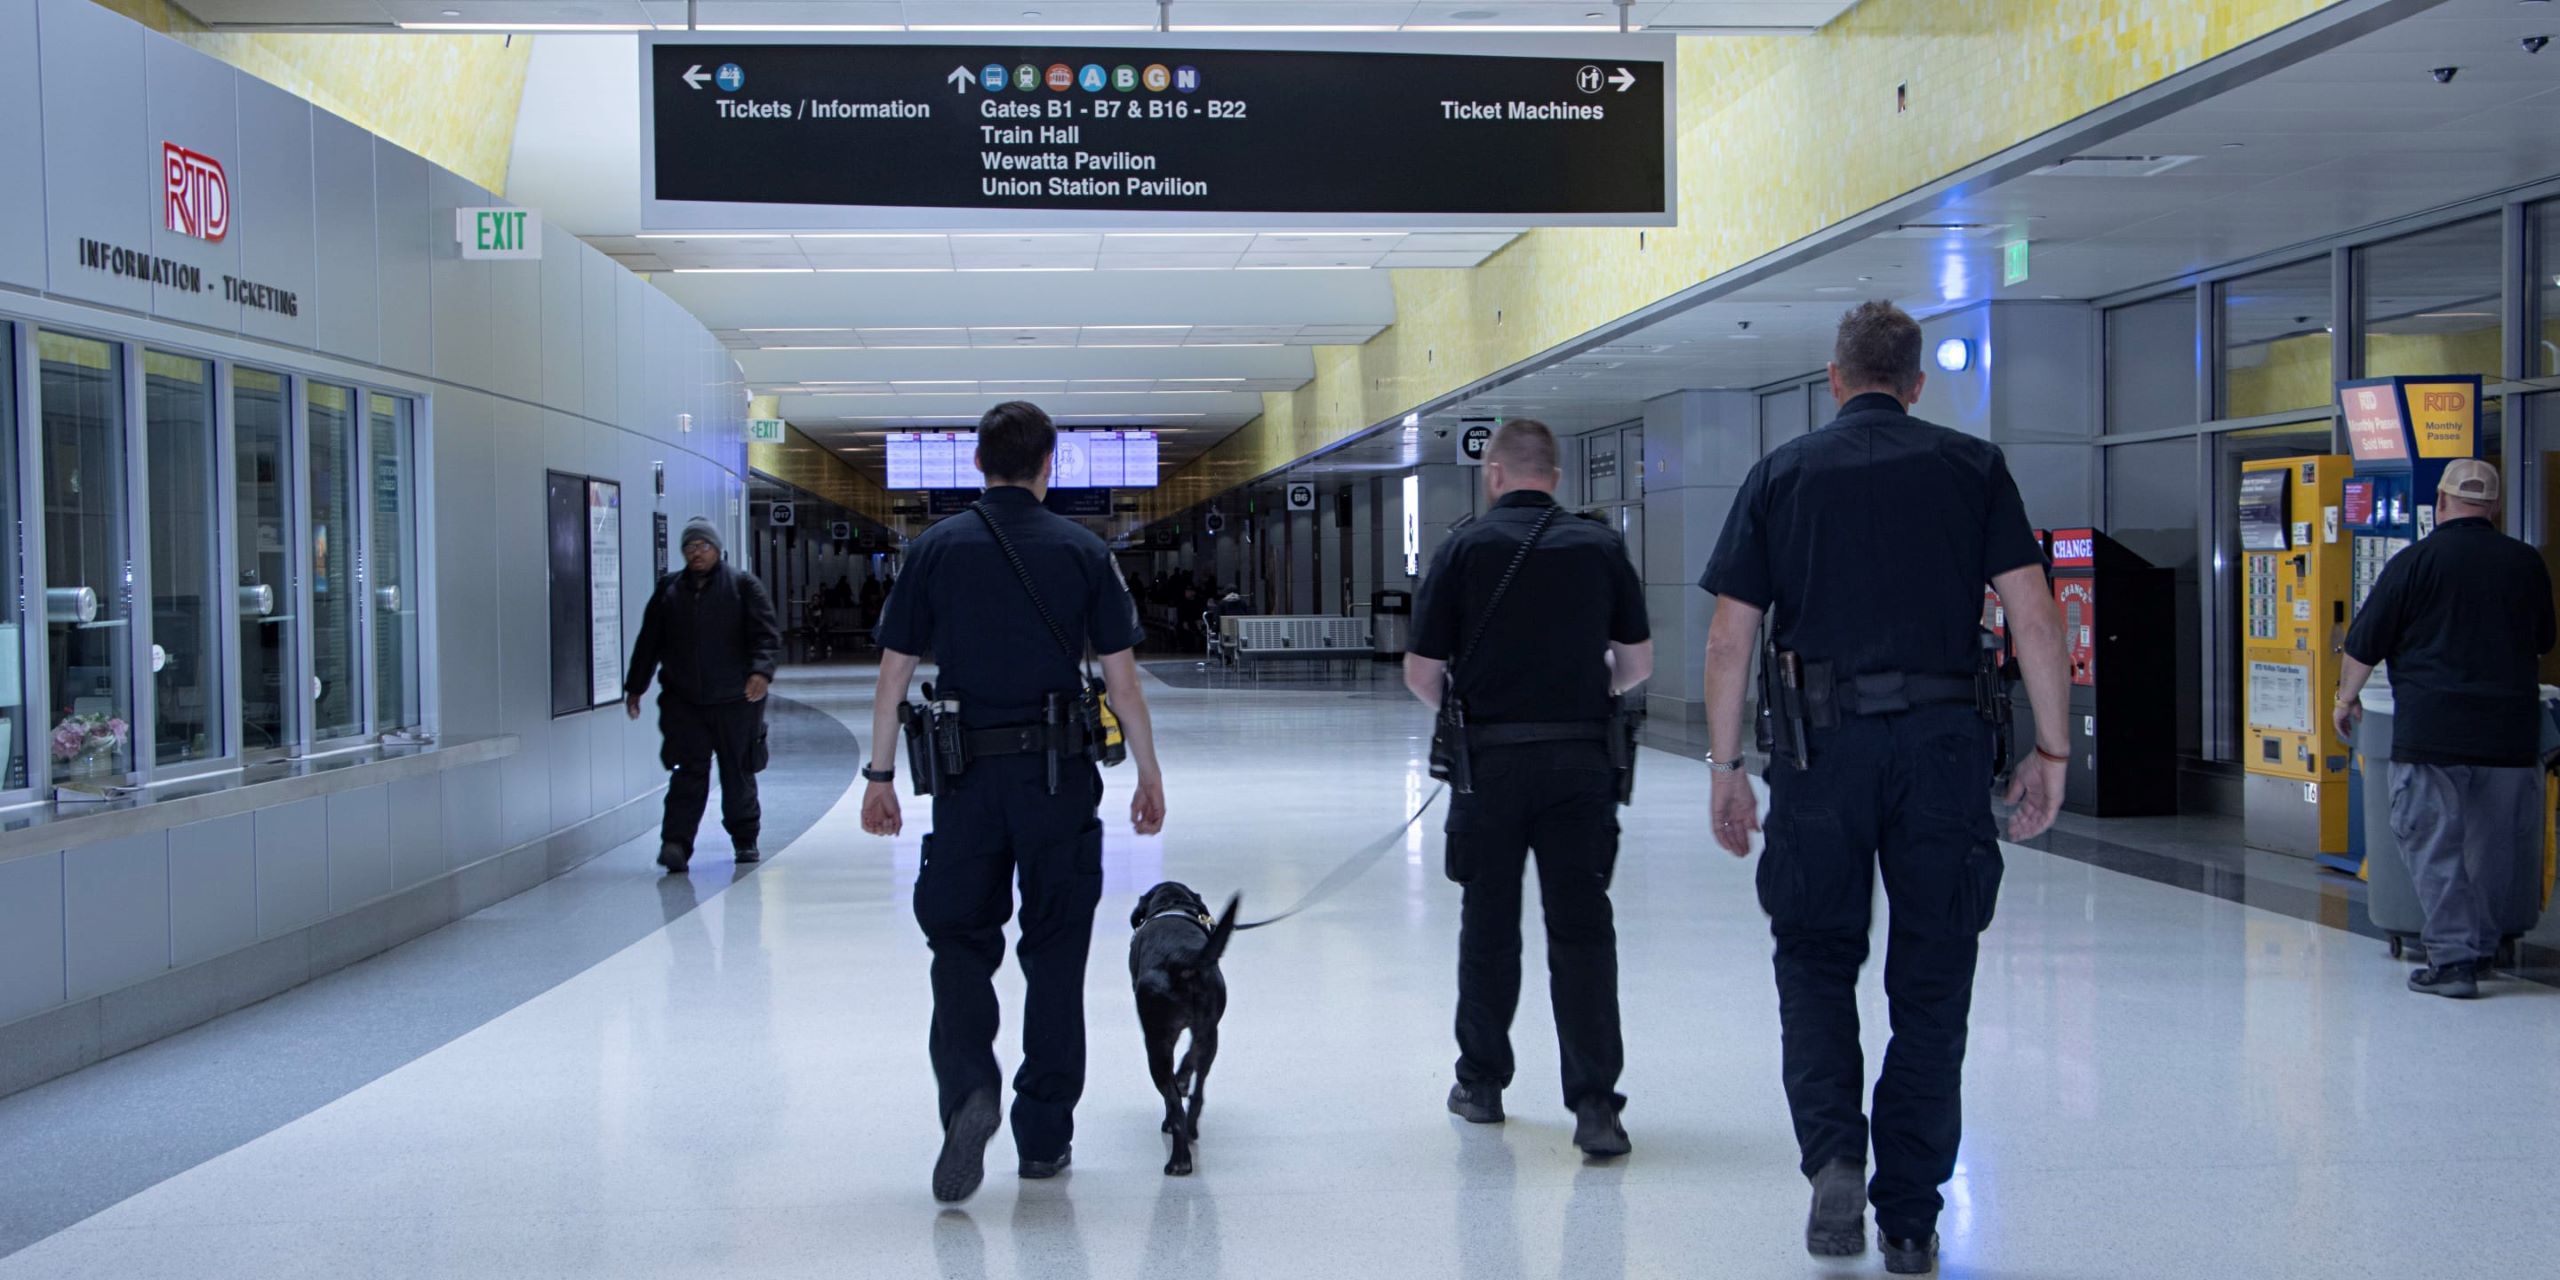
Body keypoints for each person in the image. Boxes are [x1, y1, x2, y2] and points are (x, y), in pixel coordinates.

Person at [1697, 301, 2070, 1275]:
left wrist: (1726, 765)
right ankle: (1907, 1214)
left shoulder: (1780, 475)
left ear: (1833, 378)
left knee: (1815, 959)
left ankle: (1832, 1152)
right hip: (1946, 747)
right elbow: (2033, 614)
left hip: (1820, 750)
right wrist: (2052, 752)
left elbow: (1730, 636)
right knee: (1933, 981)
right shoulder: (1970, 467)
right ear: (1913, 384)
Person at [859, 401, 1169, 1204]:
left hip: (963, 781)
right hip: (1059, 783)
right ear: (1049, 464)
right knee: (1055, 955)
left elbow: (894, 672)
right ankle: (1043, 1141)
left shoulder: (933, 549)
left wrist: (881, 778)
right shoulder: (1081, 551)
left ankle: (968, 1089)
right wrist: (1148, 775)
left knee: (960, 943)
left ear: (976, 464)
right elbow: (1123, 682)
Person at [1402, 419, 1654, 1160]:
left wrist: (1474, 705)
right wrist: (1579, 693)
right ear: (1557, 475)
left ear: (1495, 473)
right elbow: (1636, 664)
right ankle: (1596, 1107)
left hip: (1491, 767)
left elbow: (1422, 674)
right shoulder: (1601, 547)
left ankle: (1482, 1084)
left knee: (1489, 924)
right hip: (1581, 764)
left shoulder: (1463, 548)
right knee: (1582, 929)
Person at [2335, 458, 2554, 999]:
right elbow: (2545, 640)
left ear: (2441, 502)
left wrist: (2345, 699)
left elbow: (2365, 644)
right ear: (2494, 507)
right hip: (2509, 733)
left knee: (2433, 842)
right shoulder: (2525, 563)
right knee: (2493, 849)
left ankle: (2453, 960)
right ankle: (2480, 950)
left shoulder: (2416, 561)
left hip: (2433, 731)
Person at [625, 518, 783, 875]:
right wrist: (636, 687)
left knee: (738, 771)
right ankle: (676, 843)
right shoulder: (669, 591)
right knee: (686, 773)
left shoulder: (743, 587)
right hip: (685, 704)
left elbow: (767, 637)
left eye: (703, 546)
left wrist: (760, 672)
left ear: (717, 549)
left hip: (736, 702)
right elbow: (648, 643)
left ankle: (745, 839)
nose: (696, 553)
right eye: (690, 547)